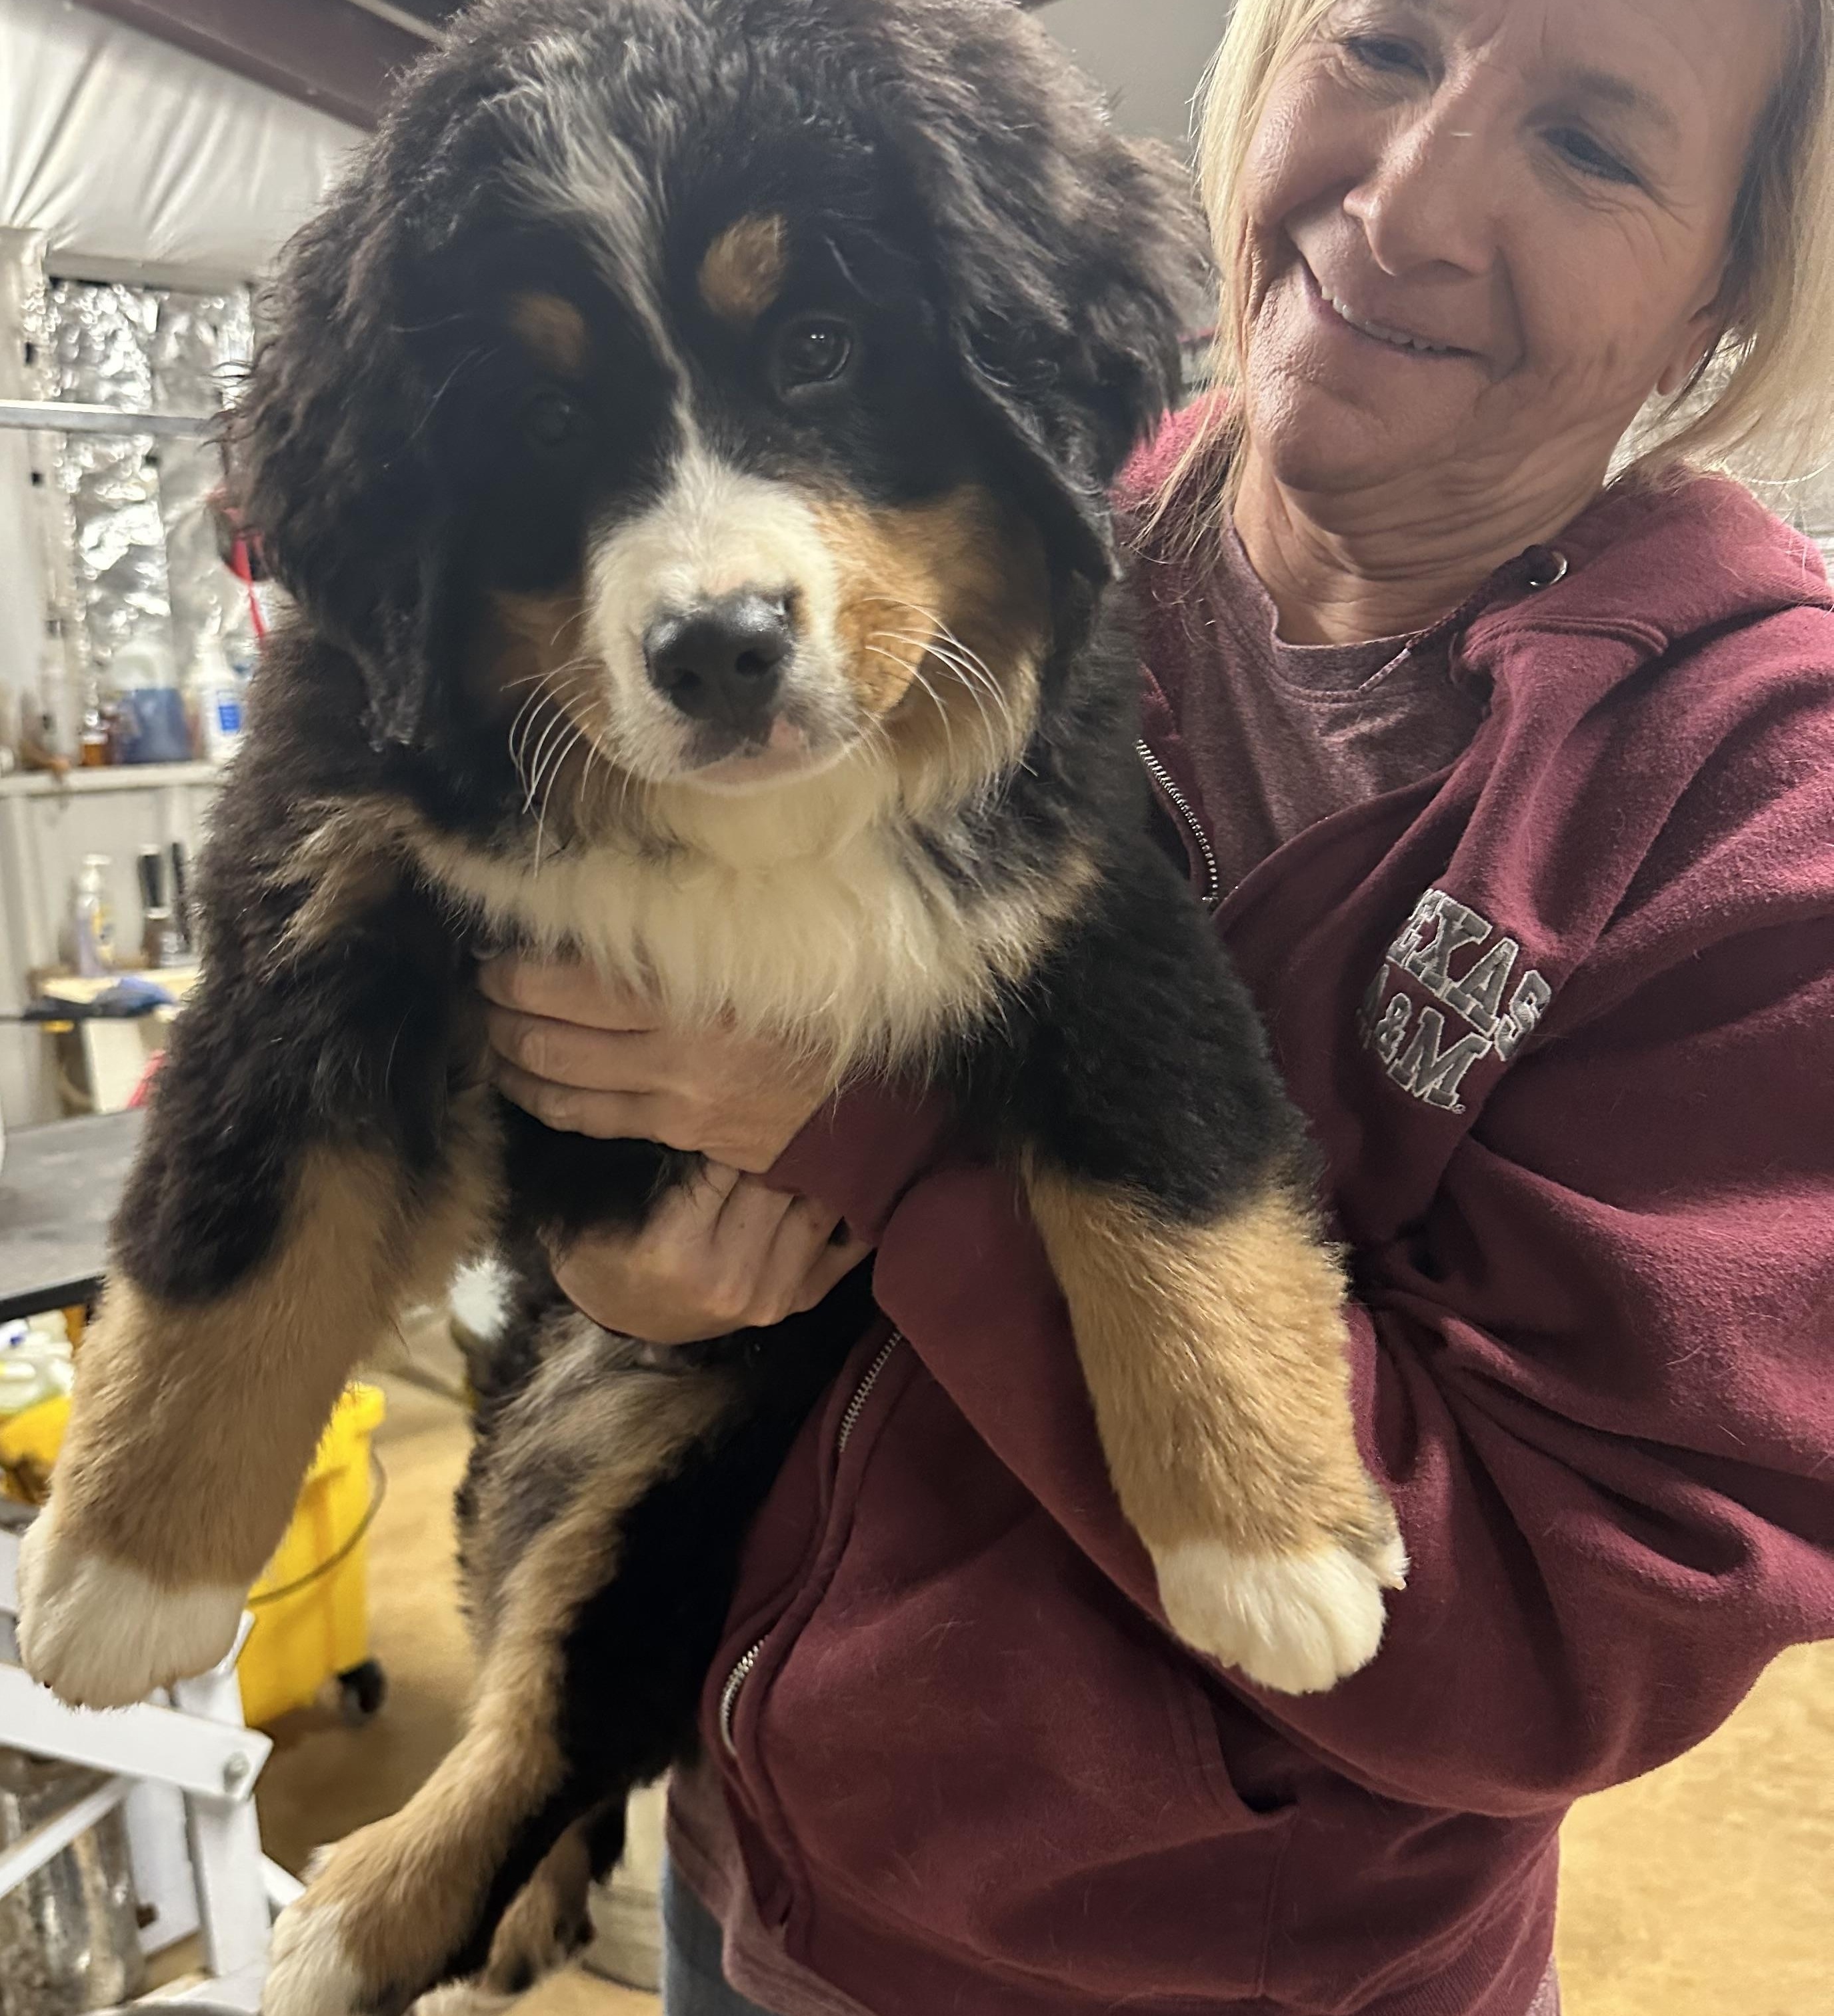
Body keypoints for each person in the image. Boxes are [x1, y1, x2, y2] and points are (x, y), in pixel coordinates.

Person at [477, 1, 1834, 2010]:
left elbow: (1554, 1629)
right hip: (756, 1874)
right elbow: (613, 1052)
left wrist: (869, 1125)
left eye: (1593, 146)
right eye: (1386, 43)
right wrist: (620, 1268)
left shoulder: (1748, 804)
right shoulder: (995, 530)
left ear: (1725, 285)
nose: (1412, 202)